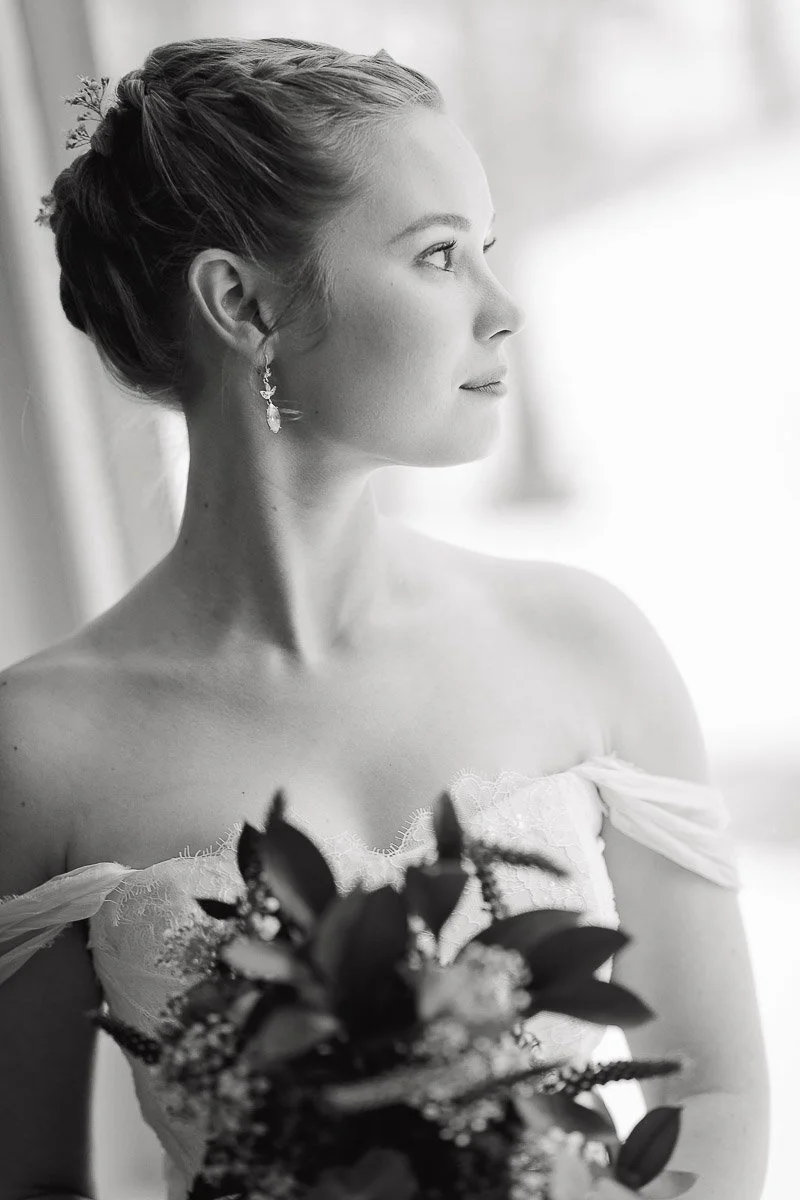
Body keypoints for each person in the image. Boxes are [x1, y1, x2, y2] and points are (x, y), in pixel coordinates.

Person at [0, 36, 768, 1200]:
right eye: (438, 255)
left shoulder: (584, 646)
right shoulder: (35, 751)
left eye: (488, 250)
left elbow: (711, 1084)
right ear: (239, 302)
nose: (502, 309)